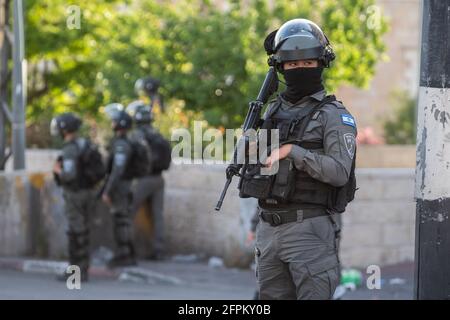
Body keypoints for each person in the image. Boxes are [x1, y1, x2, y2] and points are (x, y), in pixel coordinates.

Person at [244, 18, 357, 300]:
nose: (300, 69)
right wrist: (249, 148)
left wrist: (294, 152)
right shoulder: (270, 112)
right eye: (292, 65)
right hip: (269, 229)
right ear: (281, 67)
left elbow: (340, 172)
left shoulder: (333, 115)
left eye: (308, 64)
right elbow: (258, 169)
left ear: (321, 64)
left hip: (309, 230)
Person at [51, 113, 105, 281]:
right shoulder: (85, 144)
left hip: (75, 195)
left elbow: (69, 174)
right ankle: (84, 269)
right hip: (89, 193)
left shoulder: (70, 149)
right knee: (84, 232)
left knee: (76, 234)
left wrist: (58, 171)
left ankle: (75, 272)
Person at [127, 100, 171, 260]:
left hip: (143, 180)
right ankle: (159, 250)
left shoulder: (137, 135)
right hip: (159, 178)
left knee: (127, 211)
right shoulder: (156, 134)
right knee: (158, 216)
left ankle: (126, 248)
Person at [102, 107, 138, 267]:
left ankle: (125, 255)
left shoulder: (122, 144)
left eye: (115, 121)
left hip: (121, 187)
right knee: (122, 220)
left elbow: (117, 170)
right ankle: (127, 254)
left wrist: (107, 191)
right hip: (123, 185)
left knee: (121, 221)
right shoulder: (122, 142)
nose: (112, 123)